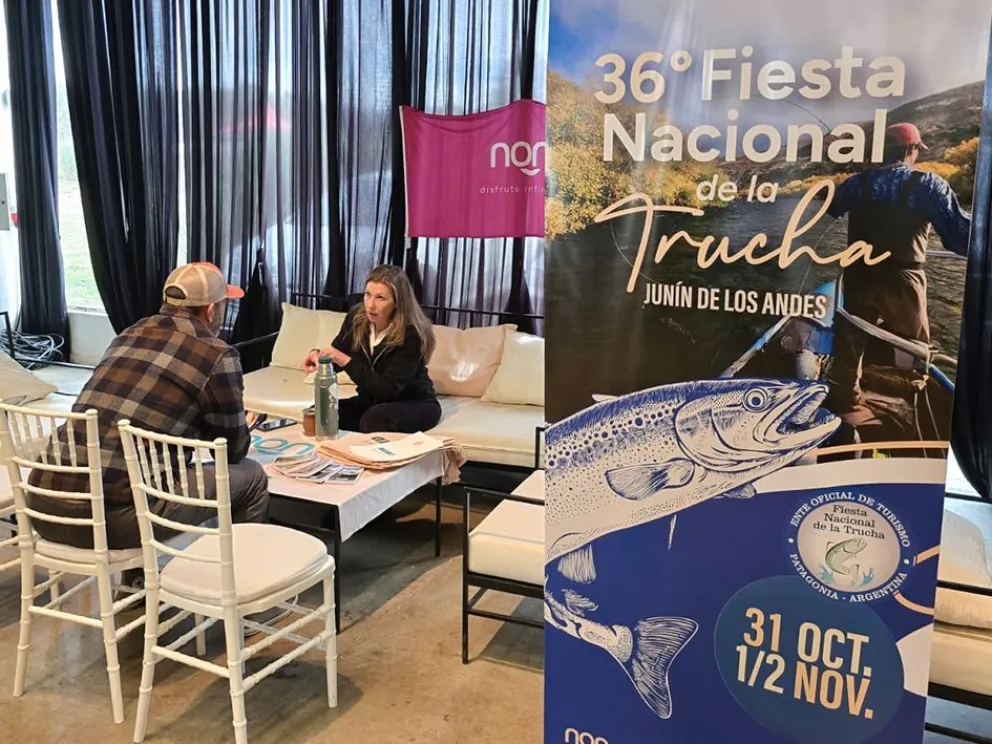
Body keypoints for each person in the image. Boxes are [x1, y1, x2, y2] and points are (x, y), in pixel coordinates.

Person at [28, 262, 270, 557]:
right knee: (251, 477)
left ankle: (138, 582)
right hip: (113, 522)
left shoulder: (128, 334)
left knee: (140, 476)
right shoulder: (216, 354)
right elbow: (233, 450)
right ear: (210, 311)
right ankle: (243, 576)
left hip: (42, 506)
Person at [824, 122, 971, 423]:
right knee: (914, 347)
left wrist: (863, 176)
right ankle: (909, 404)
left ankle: (847, 401)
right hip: (904, 278)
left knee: (851, 341)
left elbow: (832, 208)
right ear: (910, 150)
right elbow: (959, 239)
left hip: (859, 274)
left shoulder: (856, 183)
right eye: (917, 149)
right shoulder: (929, 184)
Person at [303, 264, 442, 434]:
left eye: (380, 298)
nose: (370, 305)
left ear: (397, 302)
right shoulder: (357, 317)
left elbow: (387, 389)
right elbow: (338, 354)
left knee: (374, 419)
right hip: (371, 402)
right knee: (320, 412)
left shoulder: (412, 334)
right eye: (368, 294)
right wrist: (319, 357)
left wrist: (344, 359)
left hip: (414, 403)